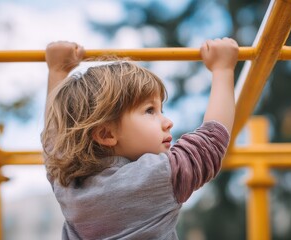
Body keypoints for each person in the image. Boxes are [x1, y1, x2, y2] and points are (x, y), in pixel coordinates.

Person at [41, 38, 238, 239]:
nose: (168, 122)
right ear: (106, 134)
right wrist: (223, 70)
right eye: (150, 110)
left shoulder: (68, 182)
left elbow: (54, 139)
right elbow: (211, 141)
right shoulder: (153, 177)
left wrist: (57, 70)